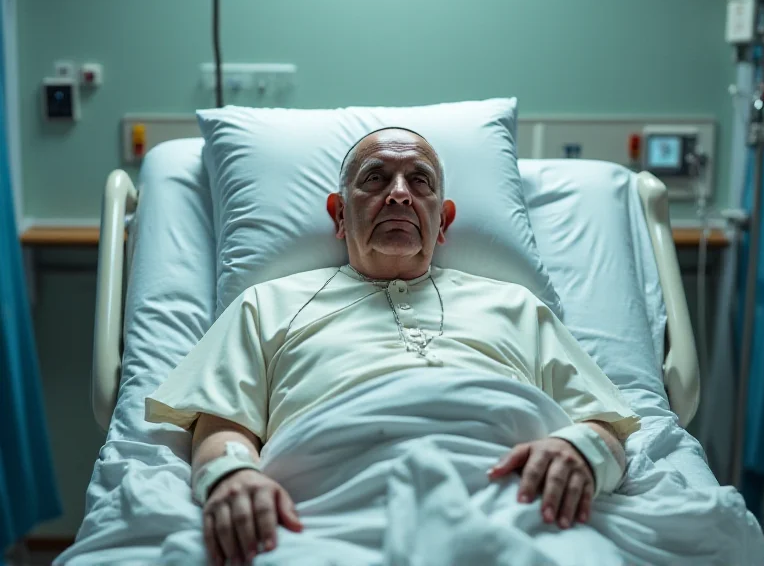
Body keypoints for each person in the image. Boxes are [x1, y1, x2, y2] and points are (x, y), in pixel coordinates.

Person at [145, 128, 640, 566]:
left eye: (419, 182)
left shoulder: (517, 307)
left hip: (513, 501)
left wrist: (582, 451)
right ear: (339, 214)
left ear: (443, 222)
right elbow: (221, 426)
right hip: (323, 510)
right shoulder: (266, 305)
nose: (399, 195)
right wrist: (230, 477)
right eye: (375, 179)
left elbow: (607, 425)